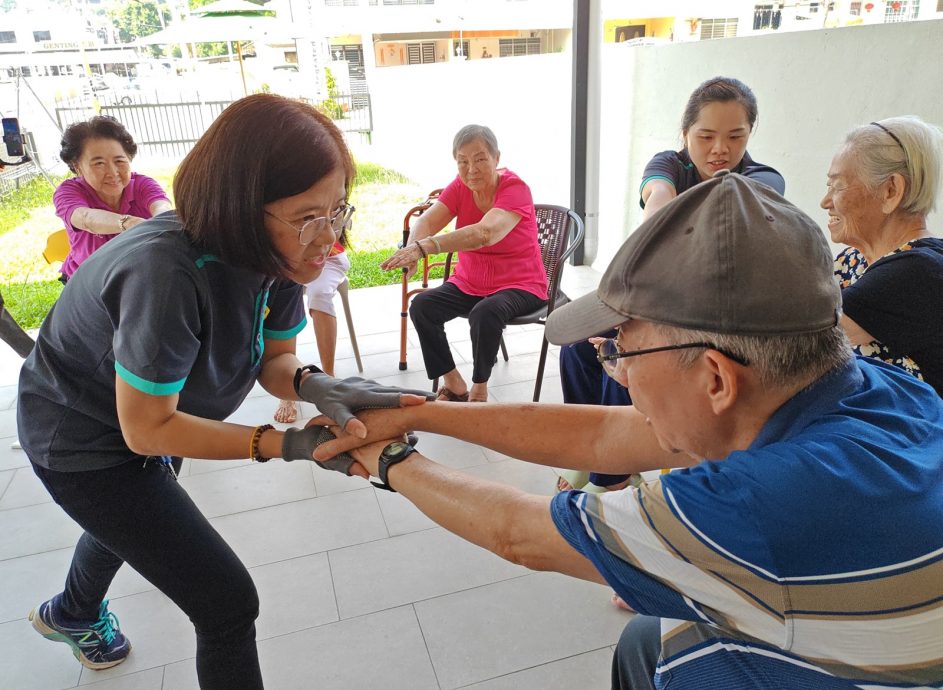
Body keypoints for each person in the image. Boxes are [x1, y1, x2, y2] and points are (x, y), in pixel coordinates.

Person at [312, 172, 943, 690]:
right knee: (648, 636)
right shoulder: (878, 388)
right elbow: (604, 438)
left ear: (716, 379)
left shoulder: (754, 505)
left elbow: (519, 535)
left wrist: (390, 458)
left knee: (668, 640)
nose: (616, 373)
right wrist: (422, 412)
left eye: (621, 352)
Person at [18, 94, 431, 688]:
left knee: (136, 520)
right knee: (226, 605)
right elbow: (147, 430)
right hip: (82, 434)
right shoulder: (164, 273)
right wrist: (286, 445)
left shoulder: (283, 255)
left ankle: (72, 612)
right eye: (310, 216)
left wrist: (319, 385)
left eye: (339, 210)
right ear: (241, 207)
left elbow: (274, 357)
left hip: (164, 406)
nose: (330, 238)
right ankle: (75, 609)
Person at [558, 76, 784, 491]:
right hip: (662, 299)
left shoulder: (763, 180)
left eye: (736, 136)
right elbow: (657, 198)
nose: (721, 149)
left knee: (629, 353)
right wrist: (658, 213)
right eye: (706, 136)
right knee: (577, 349)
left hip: (718, 318)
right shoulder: (669, 165)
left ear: (750, 134)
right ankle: (590, 450)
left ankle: (613, 475)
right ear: (685, 135)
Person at [381, 124, 548, 403]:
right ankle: (454, 383)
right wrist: (412, 250)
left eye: (480, 158)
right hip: (470, 282)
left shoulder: (515, 188)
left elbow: (485, 233)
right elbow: (427, 220)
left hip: (521, 284)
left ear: (496, 158)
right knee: (422, 306)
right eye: (463, 161)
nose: (471, 168)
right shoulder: (460, 187)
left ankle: (479, 387)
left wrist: (425, 248)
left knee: (485, 313)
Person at [824, 115, 943, 396]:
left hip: (916, 438)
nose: (825, 201)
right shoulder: (851, 260)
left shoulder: (920, 271)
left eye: (837, 185)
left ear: (891, 190)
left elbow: (793, 333)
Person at [54, 115, 172, 281]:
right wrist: (130, 223)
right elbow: (85, 218)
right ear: (77, 166)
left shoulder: (142, 184)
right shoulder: (69, 191)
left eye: (119, 161)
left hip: (135, 273)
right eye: (99, 163)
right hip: (87, 280)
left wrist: (164, 221)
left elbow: (162, 209)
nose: (113, 172)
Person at [274, 238, 353, 423]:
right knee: (278, 294)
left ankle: (329, 377)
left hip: (326, 256)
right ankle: (285, 387)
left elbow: (333, 231)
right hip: (282, 259)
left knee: (319, 294)